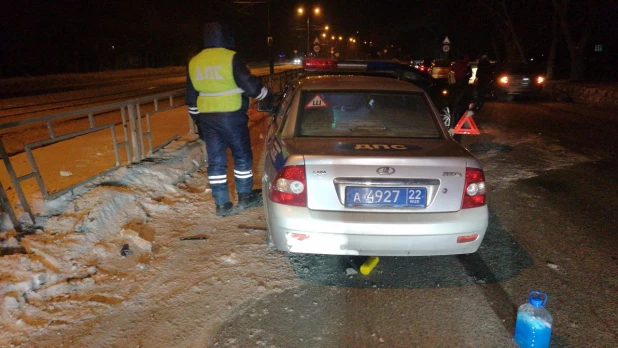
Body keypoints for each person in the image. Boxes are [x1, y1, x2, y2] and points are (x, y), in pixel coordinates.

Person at [186, 22, 271, 217]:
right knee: (242, 156)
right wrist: (266, 93)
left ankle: (222, 204)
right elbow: (250, 87)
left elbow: (191, 97)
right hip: (231, 116)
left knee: (216, 161)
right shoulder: (231, 58)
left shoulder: (195, 61)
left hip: (207, 118)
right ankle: (244, 197)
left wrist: (197, 119)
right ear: (227, 38)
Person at [450, 55, 473, 142]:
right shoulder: (465, 66)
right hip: (462, 92)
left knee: (457, 115)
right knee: (459, 118)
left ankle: (456, 131)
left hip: (458, 85)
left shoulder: (457, 64)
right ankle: (457, 134)